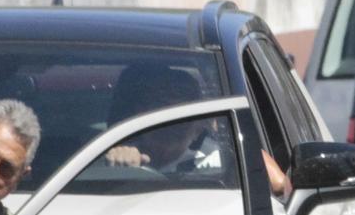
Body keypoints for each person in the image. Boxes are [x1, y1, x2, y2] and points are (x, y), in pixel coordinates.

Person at [104, 63, 291, 198]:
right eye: (159, 108)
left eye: (183, 113)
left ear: (200, 124)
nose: (170, 122)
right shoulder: (111, 155)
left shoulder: (223, 154)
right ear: (139, 114)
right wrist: (119, 168)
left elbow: (281, 186)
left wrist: (246, 157)